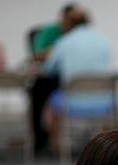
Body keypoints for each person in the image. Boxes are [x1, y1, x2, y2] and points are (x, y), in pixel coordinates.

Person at [42, 10, 114, 155]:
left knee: (50, 109)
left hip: (71, 102)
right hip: (103, 102)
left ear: (67, 24)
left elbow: (48, 70)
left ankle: (56, 149)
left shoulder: (63, 42)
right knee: (111, 108)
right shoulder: (104, 40)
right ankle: (109, 149)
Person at [29, 3, 80, 156]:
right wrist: (58, 50)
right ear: (64, 19)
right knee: (37, 95)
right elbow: (37, 55)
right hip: (50, 76)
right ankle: (40, 140)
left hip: (71, 76)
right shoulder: (49, 31)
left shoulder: (77, 35)